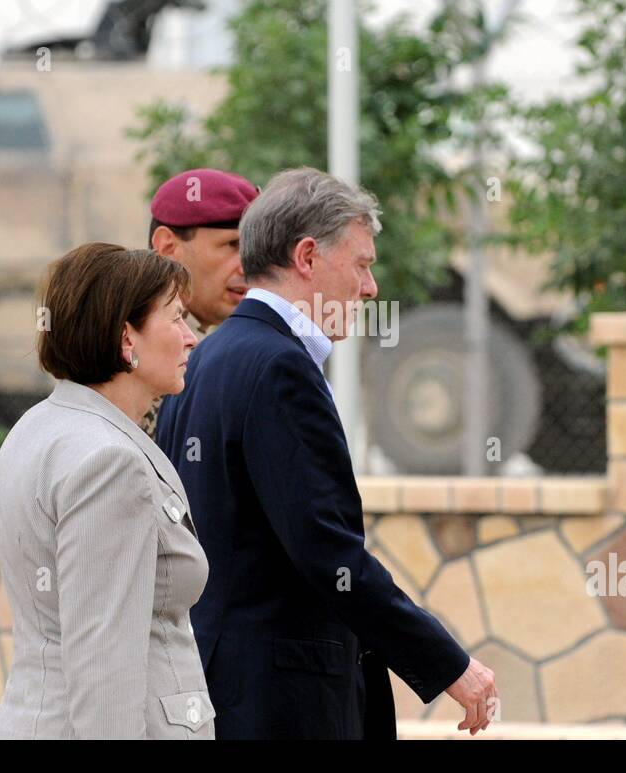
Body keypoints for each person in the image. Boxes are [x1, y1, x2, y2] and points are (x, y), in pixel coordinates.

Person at [156, 167, 498, 739]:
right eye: (362, 264)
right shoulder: (281, 367)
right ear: (308, 257)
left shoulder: (209, 358)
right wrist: (450, 666)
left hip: (219, 690)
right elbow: (328, 554)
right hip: (279, 705)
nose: (371, 288)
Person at [0, 242, 210, 739]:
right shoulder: (109, 462)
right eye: (176, 318)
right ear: (125, 336)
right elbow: (104, 662)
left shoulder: (38, 427)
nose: (191, 338)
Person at [141, 167, 258, 436]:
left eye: (252, 250)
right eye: (232, 245)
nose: (248, 267)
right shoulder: (133, 349)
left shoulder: (209, 345)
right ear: (168, 247)